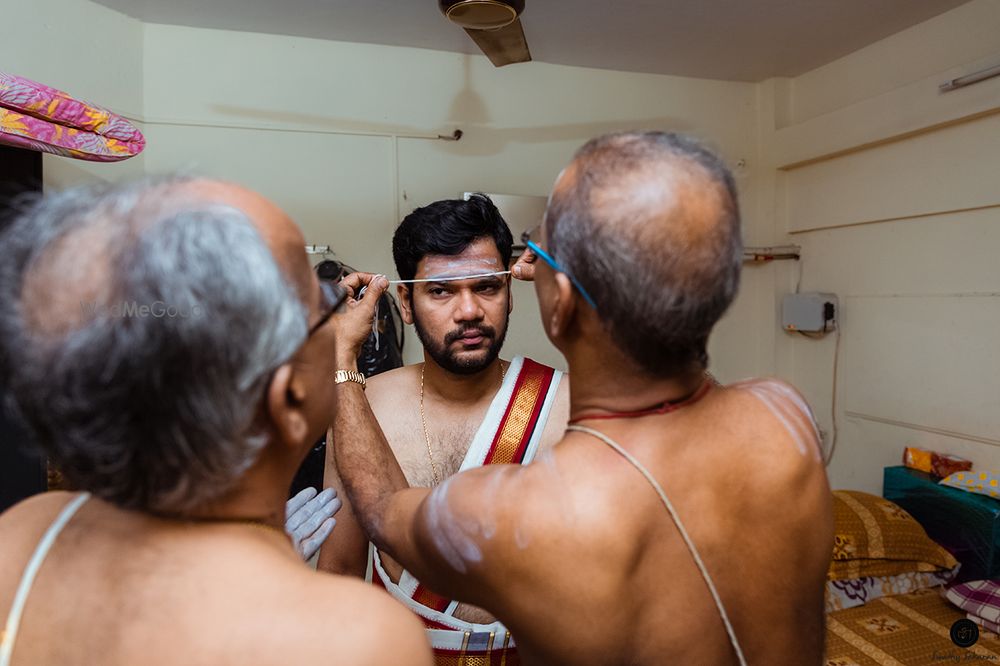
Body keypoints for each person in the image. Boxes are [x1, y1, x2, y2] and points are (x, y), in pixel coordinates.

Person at [328, 132, 834, 665]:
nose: (471, 309)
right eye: (443, 291)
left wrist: (341, 355)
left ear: (558, 304)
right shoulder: (785, 417)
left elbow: (382, 509)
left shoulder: (517, 508)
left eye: (533, 252)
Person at [0, 177, 431, 666]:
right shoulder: (357, 639)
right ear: (289, 399)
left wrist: (254, 557)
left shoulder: (26, 535)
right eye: (320, 307)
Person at [318, 194, 569, 663]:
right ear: (406, 303)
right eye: (441, 291)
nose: (469, 310)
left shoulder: (565, 403)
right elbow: (340, 569)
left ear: (510, 293)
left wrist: (600, 294)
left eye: (487, 288)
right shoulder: (361, 402)